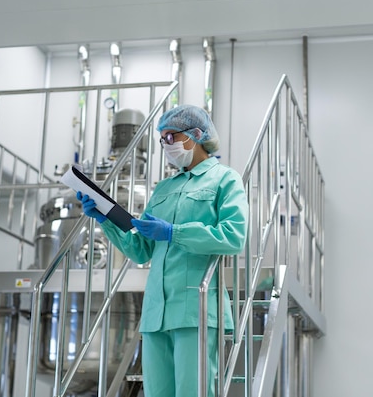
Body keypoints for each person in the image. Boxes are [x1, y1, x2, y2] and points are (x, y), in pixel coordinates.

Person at [77, 104, 248, 397]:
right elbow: (141, 250)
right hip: (156, 315)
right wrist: (106, 220)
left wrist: (174, 233)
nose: (166, 145)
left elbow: (233, 237)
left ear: (196, 135)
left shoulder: (224, 179)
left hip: (196, 311)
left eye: (171, 137)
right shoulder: (163, 189)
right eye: (162, 139)